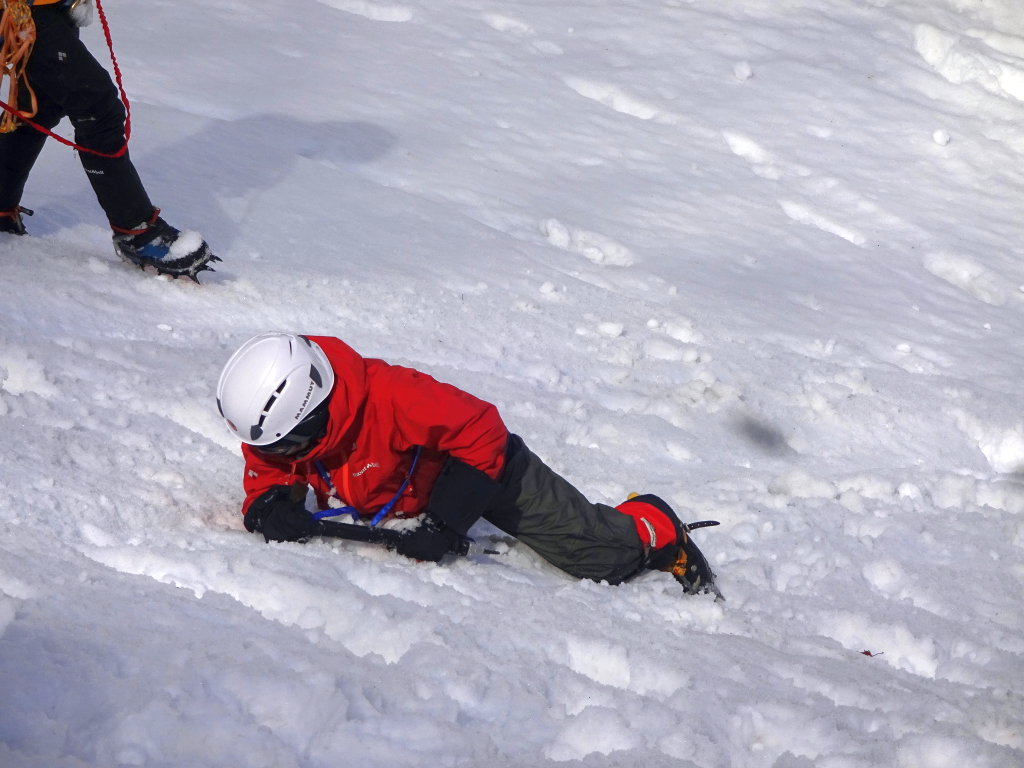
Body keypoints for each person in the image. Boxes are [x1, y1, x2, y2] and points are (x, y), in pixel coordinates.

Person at [215, 333, 720, 595]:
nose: (281, 456)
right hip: (406, 485)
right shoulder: (288, 429)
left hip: (484, 466)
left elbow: (483, 430)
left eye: (290, 446)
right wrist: (268, 502)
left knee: (597, 559)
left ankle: (653, 525)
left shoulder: (393, 395)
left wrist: (446, 521)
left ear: (319, 407)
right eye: (277, 448)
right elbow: (268, 466)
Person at [0, 0, 217, 280]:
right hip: (23, 10)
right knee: (97, 109)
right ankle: (137, 232)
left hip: (45, 7)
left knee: (41, 103)